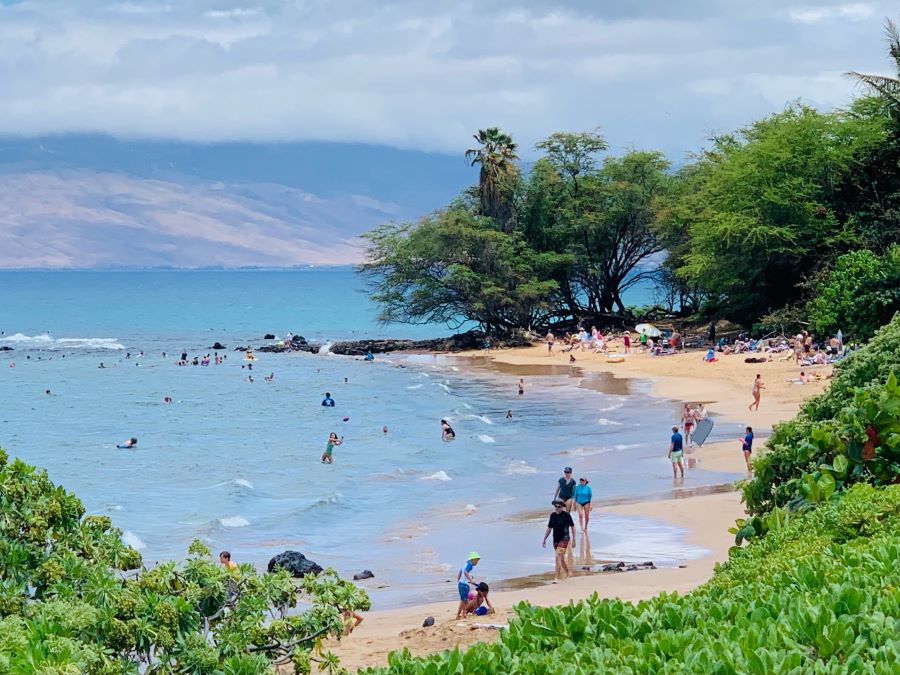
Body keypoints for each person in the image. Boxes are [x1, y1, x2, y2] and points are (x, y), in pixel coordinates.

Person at [542, 499, 576, 581]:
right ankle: (568, 572)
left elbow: (573, 526)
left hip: (564, 538)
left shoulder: (566, 515)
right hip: (556, 539)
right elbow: (549, 528)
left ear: (562, 507)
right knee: (561, 558)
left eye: (558, 506)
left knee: (557, 557)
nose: (556, 508)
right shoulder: (552, 515)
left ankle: (556, 577)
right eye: (555, 506)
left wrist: (574, 539)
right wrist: (544, 538)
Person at [456, 551, 481, 619]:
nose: (477, 562)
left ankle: (459, 615)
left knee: (463, 600)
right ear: (473, 559)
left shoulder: (465, 564)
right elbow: (465, 572)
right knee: (465, 601)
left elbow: (460, 573)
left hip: (461, 584)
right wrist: (470, 580)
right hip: (464, 585)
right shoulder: (470, 565)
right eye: (476, 561)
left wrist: (459, 581)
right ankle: (464, 614)